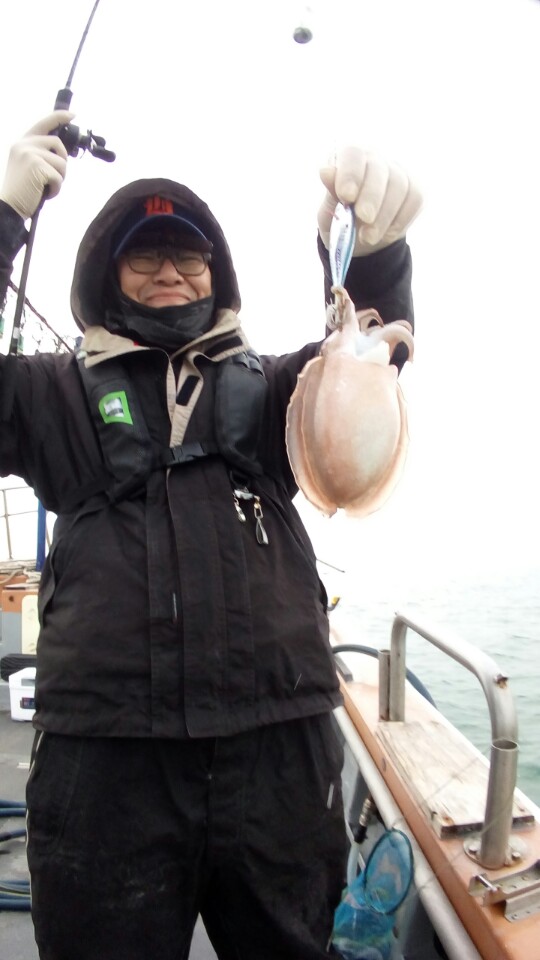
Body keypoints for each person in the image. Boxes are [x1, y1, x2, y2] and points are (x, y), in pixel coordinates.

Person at [0, 112, 422, 960]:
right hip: (105, 759)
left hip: (279, 751)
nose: (170, 270)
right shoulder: (51, 393)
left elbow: (368, 361)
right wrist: (5, 218)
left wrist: (370, 253)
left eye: (189, 255)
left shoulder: (278, 388)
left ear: (216, 276)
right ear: (108, 274)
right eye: (145, 255)